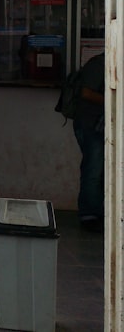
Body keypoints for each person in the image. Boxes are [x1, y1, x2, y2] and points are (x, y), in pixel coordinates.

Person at [73, 52, 105, 232]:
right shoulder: (98, 64)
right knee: (93, 169)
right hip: (90, 125)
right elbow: (86, 92)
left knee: (99, 170)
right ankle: (89, 214)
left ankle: (97, 211)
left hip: (99, 124)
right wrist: (113, 98)